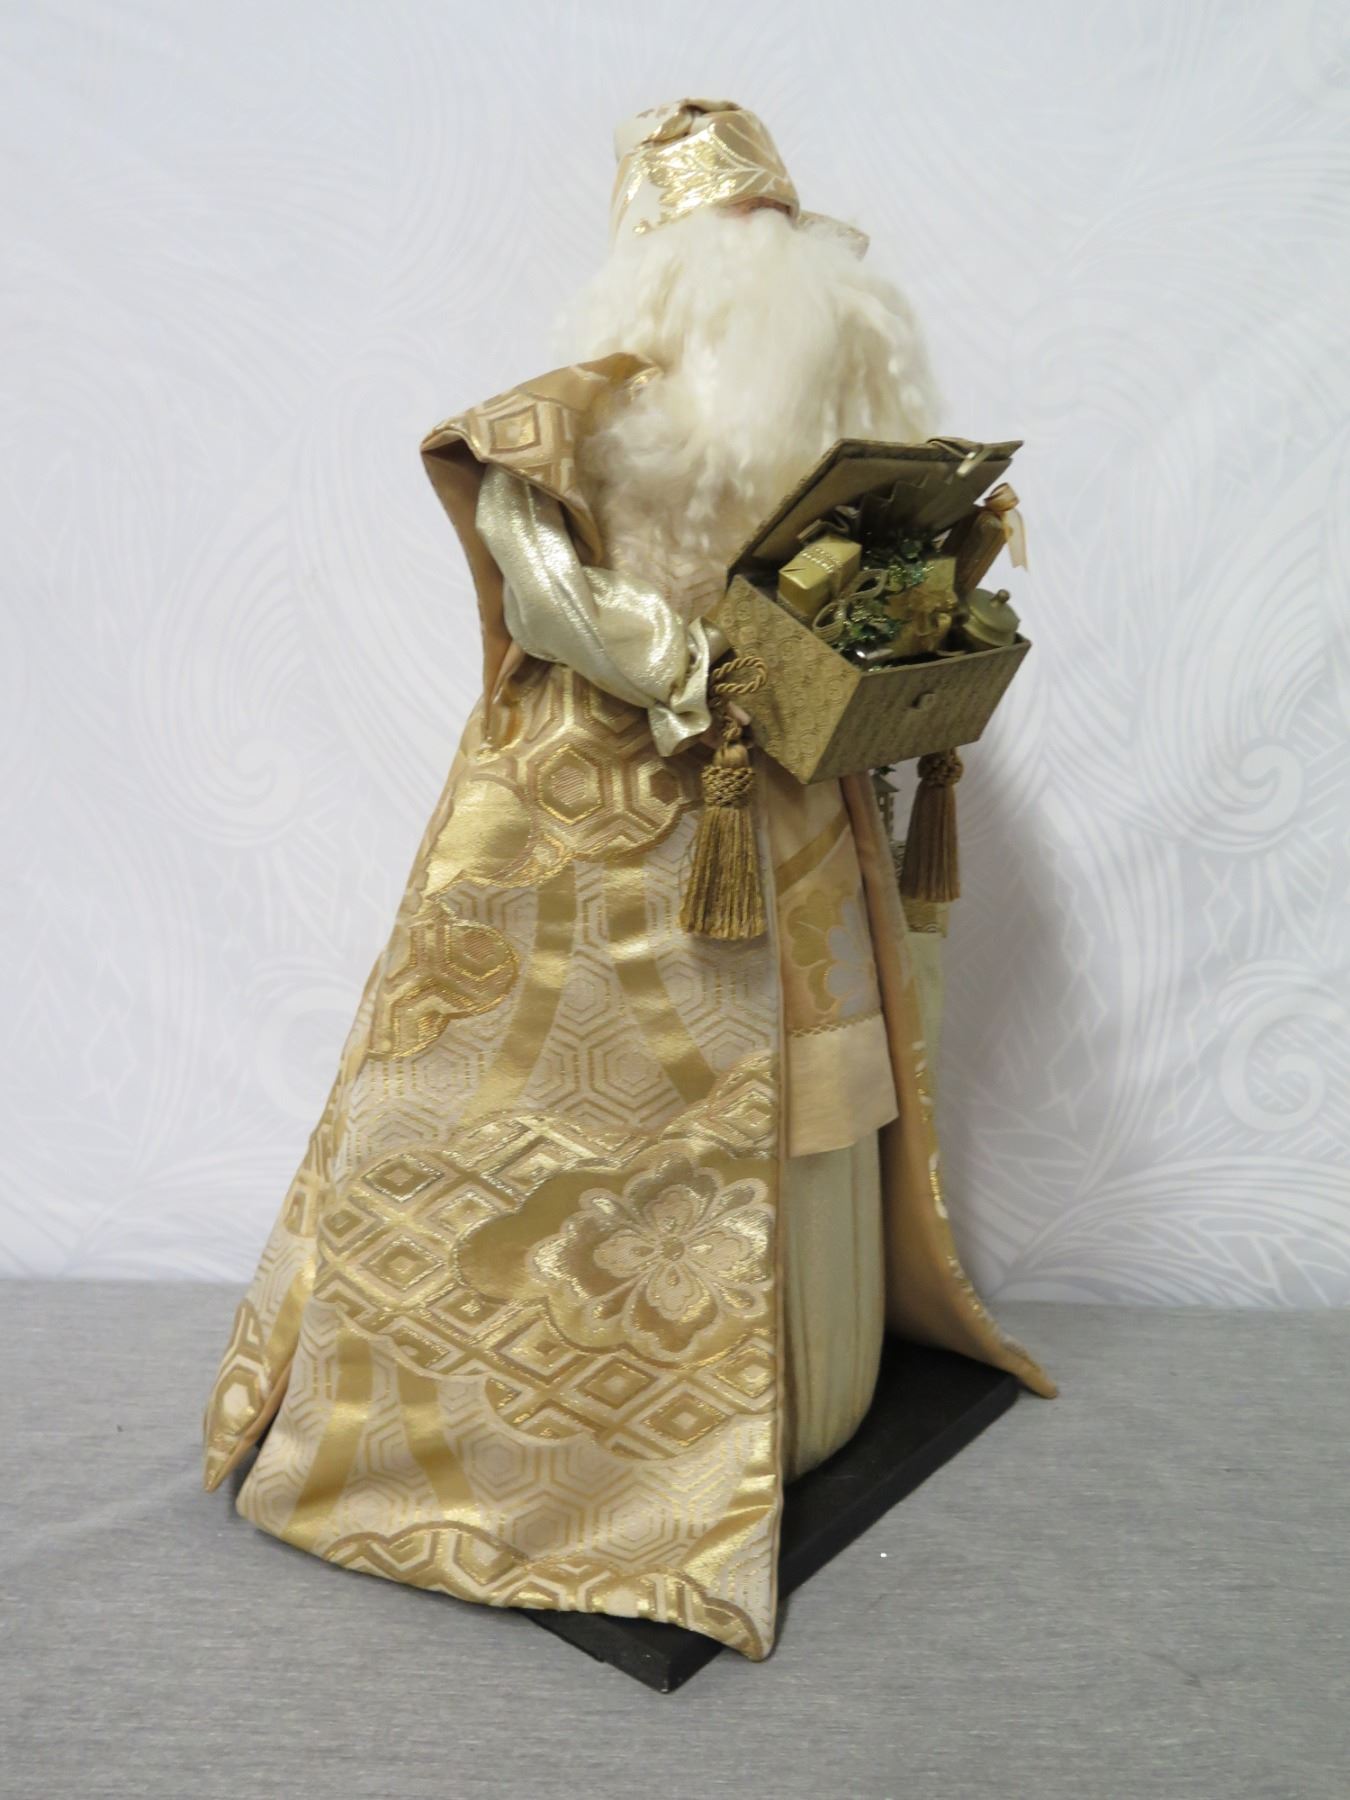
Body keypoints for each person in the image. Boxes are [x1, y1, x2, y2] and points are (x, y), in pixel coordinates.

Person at [201, 97, 1053, 1662]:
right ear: (658, 264)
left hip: (788, 800)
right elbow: (540, 584)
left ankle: (806, 1387)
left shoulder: (831, 427)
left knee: (817, 1087)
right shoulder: (565, 422)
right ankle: (571, 1436)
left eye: (777, 236)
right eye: (729, 239)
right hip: (602, 818)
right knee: (566, 1128)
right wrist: (682, 665)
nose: (761, 268)